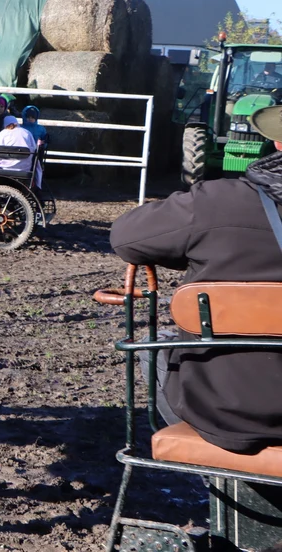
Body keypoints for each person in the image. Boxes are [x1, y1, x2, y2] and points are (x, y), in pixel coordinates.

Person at [110, 104, 282, 454]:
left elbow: (124, 236)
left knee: (154, 350)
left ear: (278, 142)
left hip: (222, 414)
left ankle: (218, 475)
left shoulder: (217, 202)